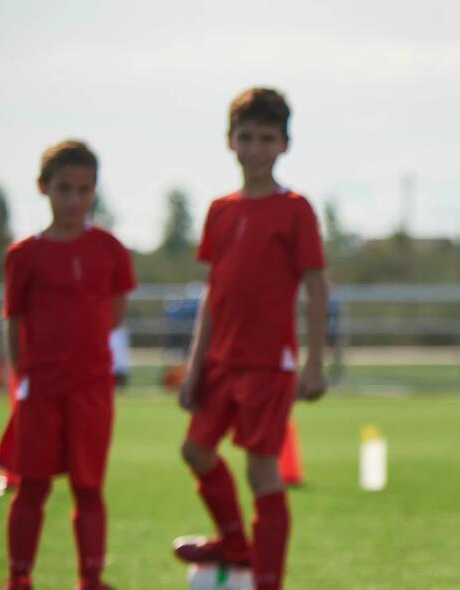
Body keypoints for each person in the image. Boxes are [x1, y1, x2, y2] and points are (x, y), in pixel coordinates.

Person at [171, 87, 330, 590]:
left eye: (267, 138)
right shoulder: (220, 210)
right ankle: (235, 541)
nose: (256, 148)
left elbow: (316, 288)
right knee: (195, 451)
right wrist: (195, 366)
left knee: (262, 471)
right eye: (246, 137)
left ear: (284, 144)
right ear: (229, 141)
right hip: (220, 362)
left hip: (269, 364)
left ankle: (266, 579)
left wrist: (314, 363)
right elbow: (213, 295)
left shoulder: (295, 208)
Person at [0, 139, 134, 590]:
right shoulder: (23, 255)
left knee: (88, 486)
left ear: (94, 190)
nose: (73, 199)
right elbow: (14, 323)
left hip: (92, 387)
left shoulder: (110, 249)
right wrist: (24, 379)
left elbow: (114, 312)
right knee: (32, 485)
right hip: (40, 388)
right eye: (64, 188)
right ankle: (19, 577)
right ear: (43, 188)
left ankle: (90, 578)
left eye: (83, 189)